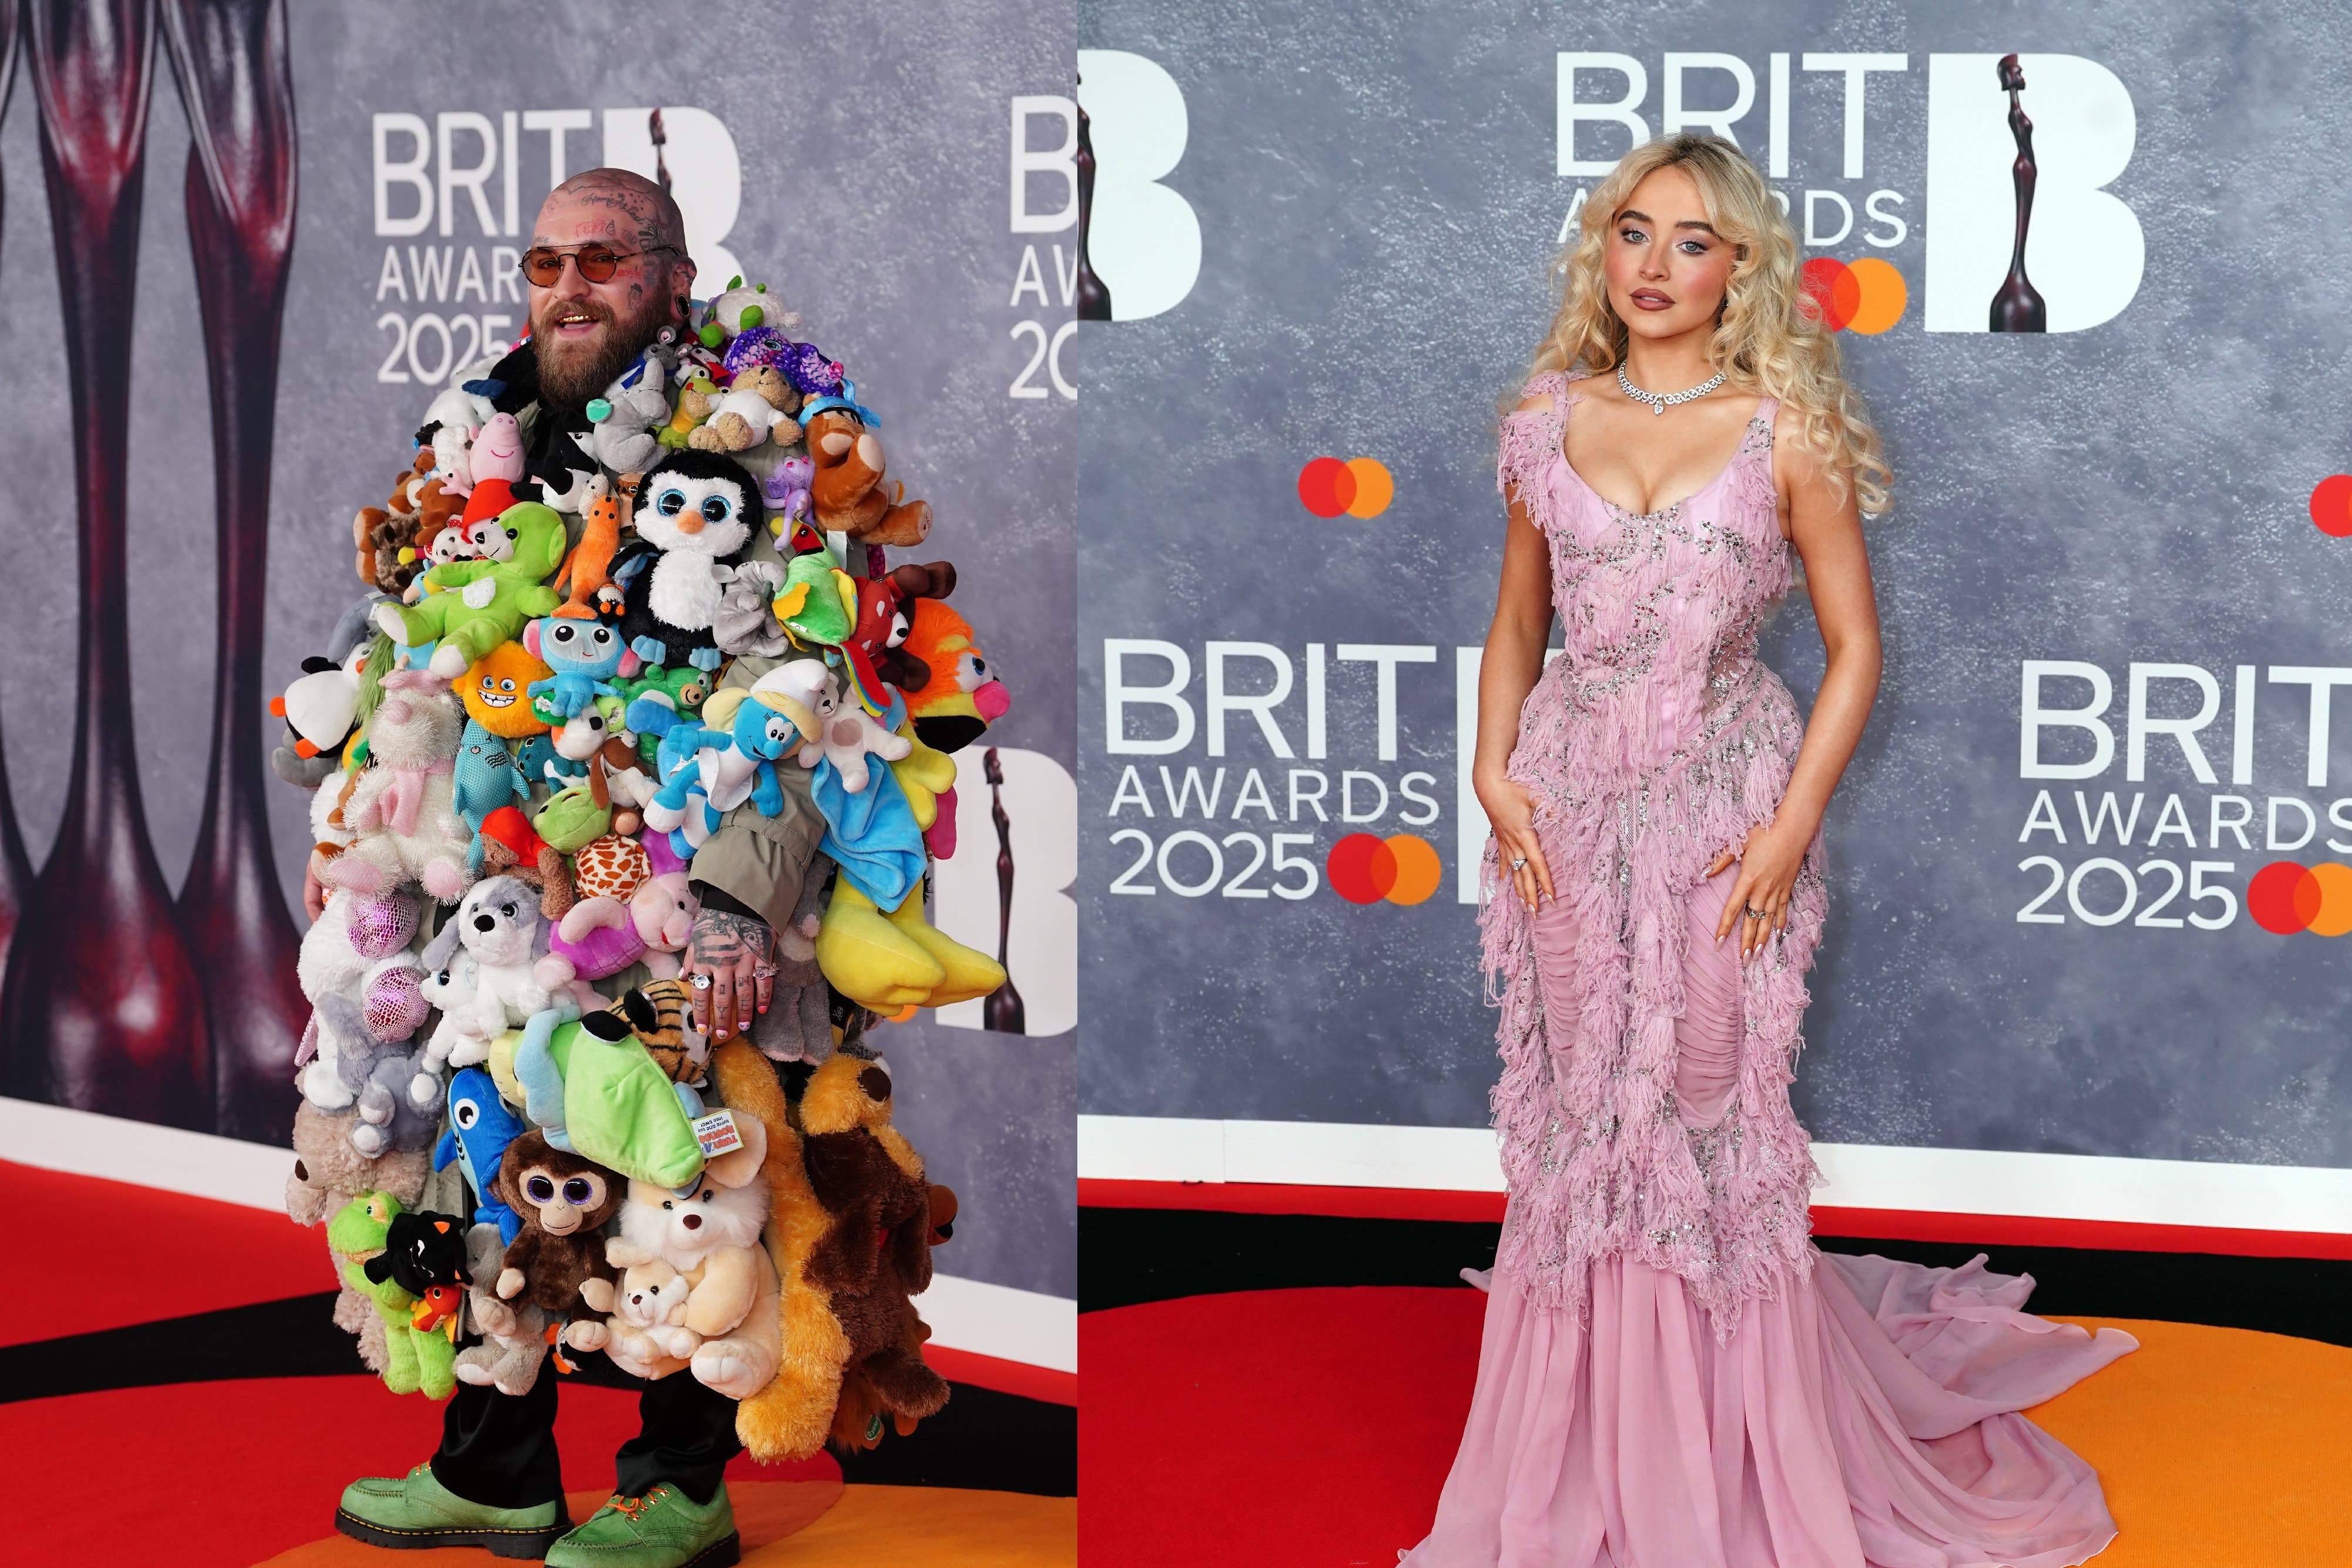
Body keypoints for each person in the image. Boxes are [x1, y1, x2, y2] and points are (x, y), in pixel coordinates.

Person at [1404, 133, 2139, 1566]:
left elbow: (1856, 645)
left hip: (1726, 818)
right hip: (1561, 814)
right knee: (1576, 1125)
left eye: (1690, 240)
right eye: (1632, 232)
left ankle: (1722, 1468)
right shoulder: (1542, 420)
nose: (1654, 265)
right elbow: (1513, 624)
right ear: (1598, 252)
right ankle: (1578, 1466)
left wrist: (1787, 828)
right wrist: (1488, 775)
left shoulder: (1781, 428)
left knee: (1704, 1114)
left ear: (1739, 267)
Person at [329, 166, 825, 1568]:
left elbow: (812, 671)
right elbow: (403, 649)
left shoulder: (767, 439)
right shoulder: (469, 439)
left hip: (676, 884)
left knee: (673, 1181)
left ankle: (680, 1486)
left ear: (671, 275)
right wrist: (362, 831)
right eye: (544, 263)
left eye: (602, 261)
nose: (567, 289)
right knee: (477, 1179)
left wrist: (731, 898)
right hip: (490, 888)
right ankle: (493, 1471)